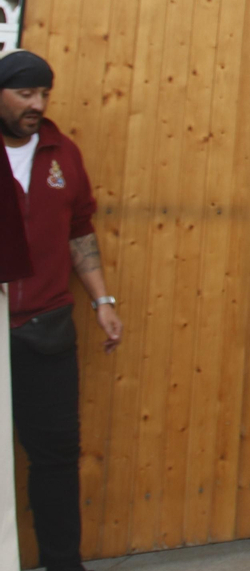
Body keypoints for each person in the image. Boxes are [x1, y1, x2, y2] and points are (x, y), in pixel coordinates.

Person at [5, 50, 122, 571]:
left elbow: (79, 231)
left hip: (46, 326)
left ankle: (62, 564)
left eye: (44, 94)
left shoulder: (61, 153)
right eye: (26, 93)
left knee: (56, 456)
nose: (37, 104)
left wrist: (102, 301)